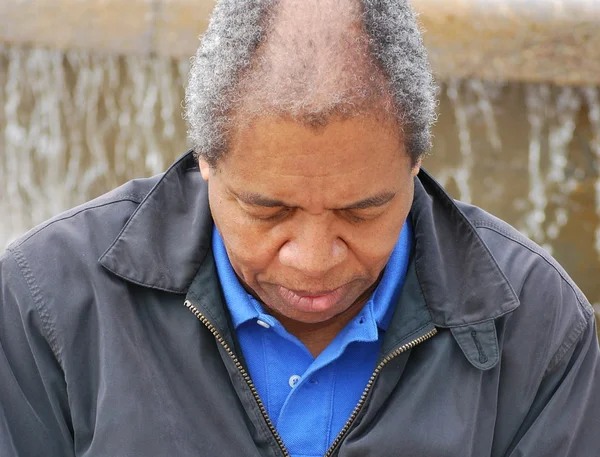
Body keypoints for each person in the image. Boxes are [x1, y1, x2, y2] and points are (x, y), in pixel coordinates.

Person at [1, 0, 599, 455]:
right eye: (268, 211)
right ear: (205, 160)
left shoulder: (539, 327)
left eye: (362, 211)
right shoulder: (43, 304)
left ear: (416, 161)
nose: (313, 261)